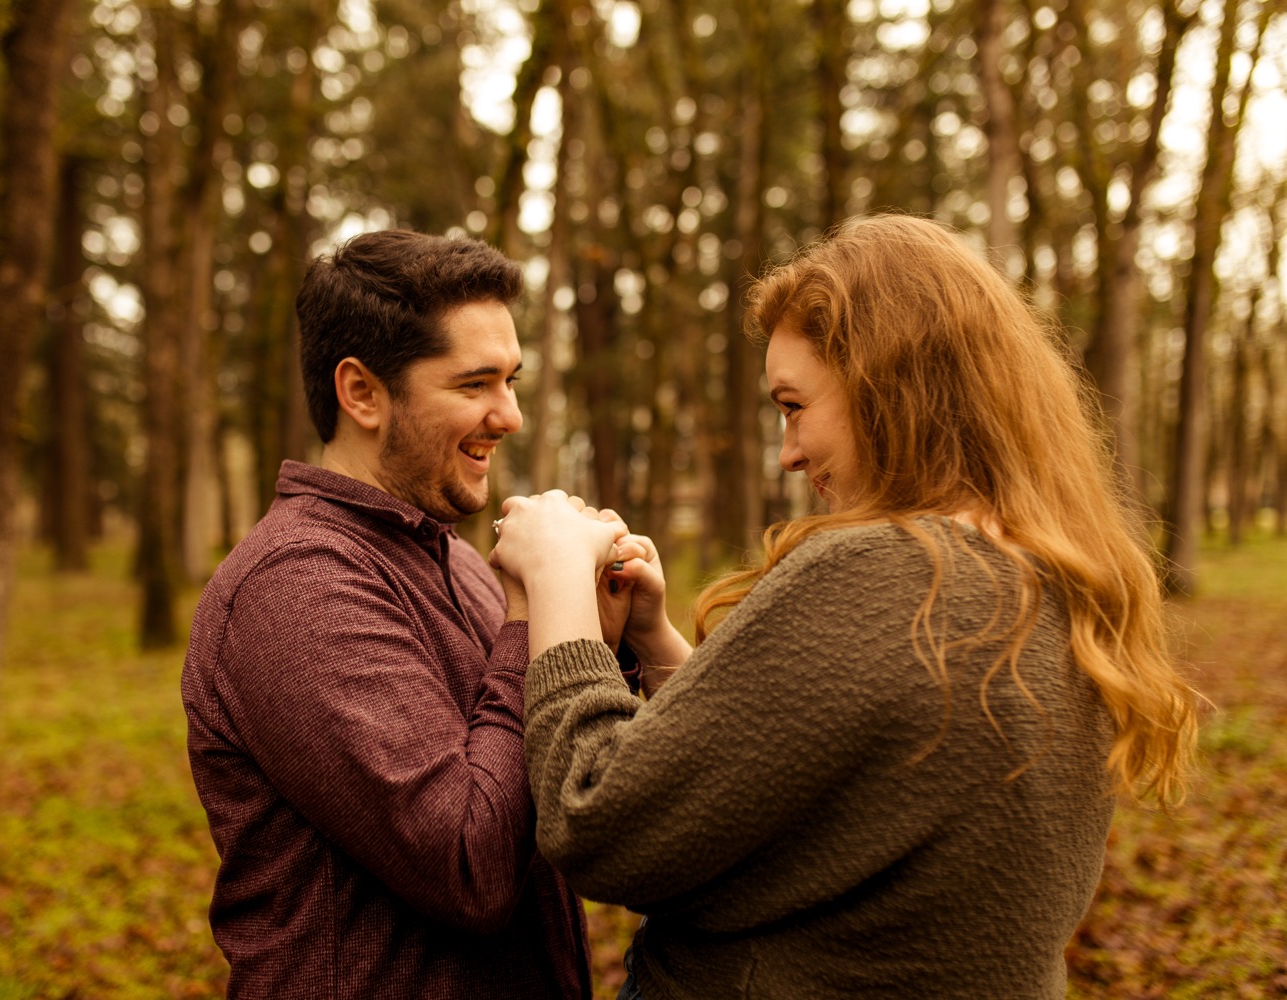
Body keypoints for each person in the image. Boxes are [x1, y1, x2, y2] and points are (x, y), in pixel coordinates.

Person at [491, 214, 1199, 999]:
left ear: (887, 386)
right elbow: (834, 794)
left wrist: (556, 581)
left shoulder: (887, 573)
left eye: (793, 405)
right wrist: (659, 647)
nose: (789, 451)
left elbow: (597, 821)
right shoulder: (1056, 579)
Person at [181, 229, 592, 999]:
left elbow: (553, 794)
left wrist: (597, 634)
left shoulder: (460, 563)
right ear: (362, 392)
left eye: (512, 380)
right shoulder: (296, 585)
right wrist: (534, 621)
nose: (511, 416)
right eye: (475, 385)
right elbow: (469, 866)